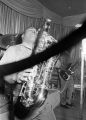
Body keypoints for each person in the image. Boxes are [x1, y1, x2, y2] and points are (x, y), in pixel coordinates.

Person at [0, 27, 60, 120]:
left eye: (37, 32)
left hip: (41, 97)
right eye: (32, 30)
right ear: (23, 36)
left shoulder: (40, 52)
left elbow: (58, 64)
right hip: (22, 98)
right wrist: (17, 76)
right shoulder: (14, 49)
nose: (36, 32)